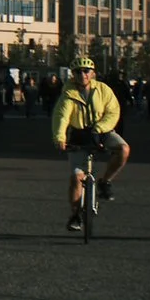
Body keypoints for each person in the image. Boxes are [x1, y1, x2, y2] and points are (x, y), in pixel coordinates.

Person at [50, 56, 129, 233]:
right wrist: (59, 137)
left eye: (86, 71)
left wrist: (99, 128)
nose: (82, 75)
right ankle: (76, 215)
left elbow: (113, 112)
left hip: (103, 132)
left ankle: (105, 182)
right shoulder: (68, 94)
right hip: (78, 136)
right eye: (78, 71)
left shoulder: (103, 90)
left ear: (93, 74)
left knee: (123, 149)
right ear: (73, 74)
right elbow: (61, 117)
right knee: (77, 178)